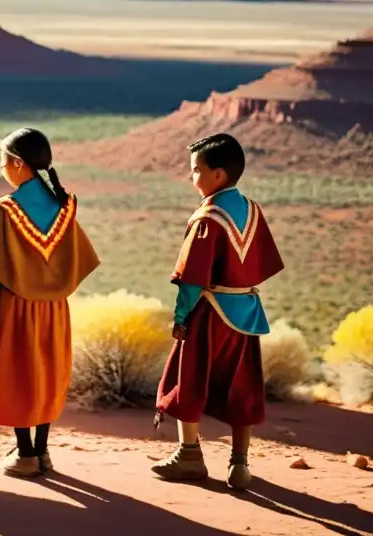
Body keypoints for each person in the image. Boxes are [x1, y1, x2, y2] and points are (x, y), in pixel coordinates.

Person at [152, 133, 284, 491]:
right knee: (242, 386)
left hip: (208, 313)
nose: (192, 177)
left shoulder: (207, 218)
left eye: (196, 170)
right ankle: (240, 464)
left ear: (218, 176)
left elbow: (191, 281)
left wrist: (180, 318)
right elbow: (261, 262)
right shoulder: (252, 209)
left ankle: (189, 456)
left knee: (188, 379)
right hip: (246, 313)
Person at [0, 129, 100, 478]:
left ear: (18, 163)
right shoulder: (65, 206)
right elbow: (78, 258)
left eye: (3, 162)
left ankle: (25, 454)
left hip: (16, 307)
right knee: (46, 375)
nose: (1, 170)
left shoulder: (6, 209)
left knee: (16, 375)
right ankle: (42, 451)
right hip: (54, 308)